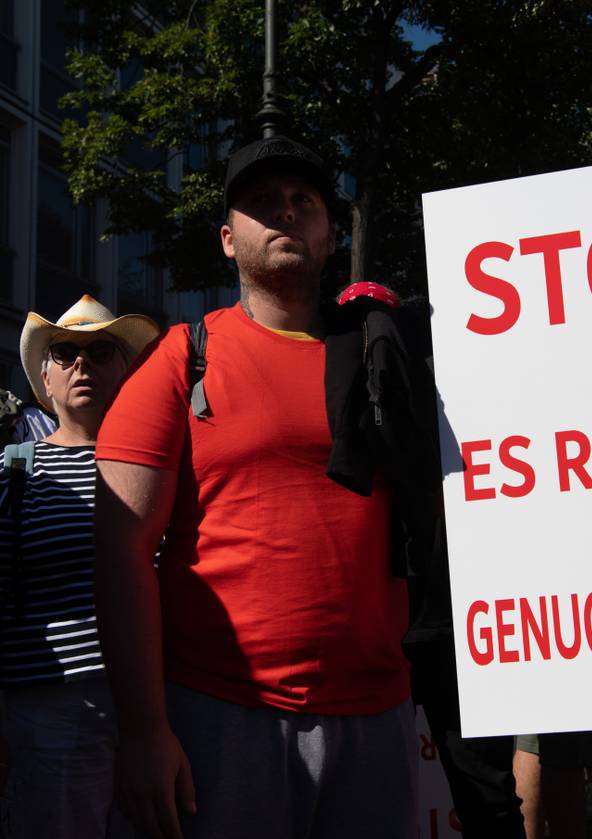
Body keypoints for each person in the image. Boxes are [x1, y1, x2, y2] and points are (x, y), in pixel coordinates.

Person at [93, 136, 430, 839]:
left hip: (380, 718)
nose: (286, 211)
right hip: (218, 718)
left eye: (305, 200)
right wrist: (144, 729)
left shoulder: (391, 359)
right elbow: (120, 551)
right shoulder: (182, 357)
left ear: (331, 235)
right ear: (227, 239)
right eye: (262, 201)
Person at [0, 295, 158, 838]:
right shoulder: (15, 472)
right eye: (65, 353)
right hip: (54, 715)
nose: (82, 363)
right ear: (45, 379)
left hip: (164, 702)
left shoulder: (163, 468)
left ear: (127, 372)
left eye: (101, 351)